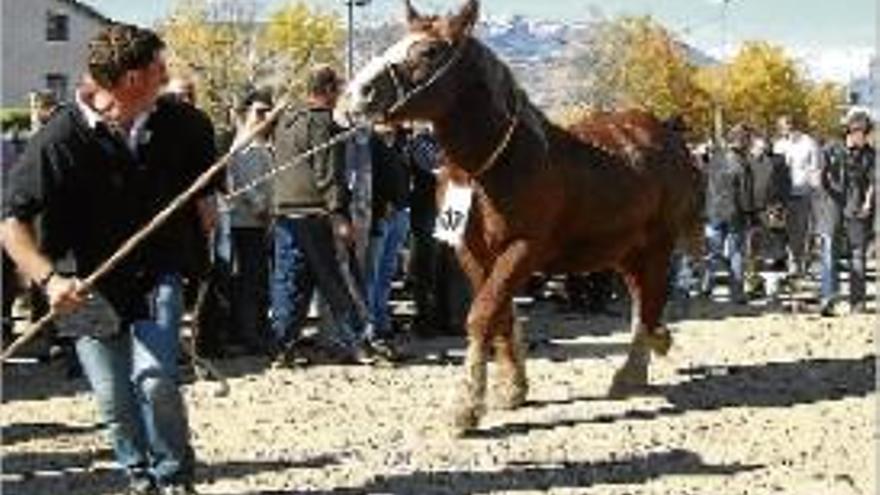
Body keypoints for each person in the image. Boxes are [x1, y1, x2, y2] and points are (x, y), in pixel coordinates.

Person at [2, 24, 215, 494]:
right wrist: (50, 281)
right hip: (85, 288)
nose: (167, 76)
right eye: (160, 68)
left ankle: (173, 478)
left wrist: (204, 245)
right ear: (133, 79)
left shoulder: (185, 124)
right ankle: (138, 475)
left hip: (157, 273)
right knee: (115, 400)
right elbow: (10, 225)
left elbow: (206, 199)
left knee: (156, 380)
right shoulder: (58, 140)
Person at [268, 65, 371, 365]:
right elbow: (327, 173)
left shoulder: (288, 119)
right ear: (328, 90)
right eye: (337, 88)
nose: (339, 93)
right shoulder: (321, 122)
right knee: (336, 280)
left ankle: (281, 347)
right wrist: (338, 214)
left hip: (286, 212)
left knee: (290, 282)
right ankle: (359, 343)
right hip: (316, 213)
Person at [224, 88, 274, 353]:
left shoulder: (261, 143)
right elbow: (245, 184)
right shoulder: (243, 144)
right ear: (245, 114)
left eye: (268, 111)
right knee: (248, 281)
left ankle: (255, 331)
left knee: (257, 280)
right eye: (259, 111)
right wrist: (263, 210)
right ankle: (248, 335)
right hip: (246, 223)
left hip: (259, 223)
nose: (265, 116)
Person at [818, 110, 875, 315]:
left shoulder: (870, 154)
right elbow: (819, 175)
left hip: (856, 207)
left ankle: (857, 302)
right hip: (831, 206)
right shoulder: (831, 148)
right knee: (829, 252)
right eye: (862, 133)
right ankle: (828, 298)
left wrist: (868, 204)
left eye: (867, 133)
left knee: (857, 255)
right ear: (852, 131)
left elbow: (873, 182)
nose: (865, 137)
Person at [701, 124, 751, 304]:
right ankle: (737, 292)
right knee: (736, 253)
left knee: (714, 252)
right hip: (734, 212)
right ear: (742, 140)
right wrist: (750, 214)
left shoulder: (715, 158)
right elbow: (745, 192)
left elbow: (706, 184)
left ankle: (706, 286)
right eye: (747, 139)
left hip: (713, 210)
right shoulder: (741, 162)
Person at [774, 115, 822, 278]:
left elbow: (816, 169)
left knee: (801, 231)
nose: (784, 131)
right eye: (781, 128)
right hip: (783, 195)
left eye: (787, 127)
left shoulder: (809, 143)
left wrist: (816, 194)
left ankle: (800, 265)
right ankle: (792, 263)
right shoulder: (779, 145)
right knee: (786, 231)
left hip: (803, 194)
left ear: (794, 126)